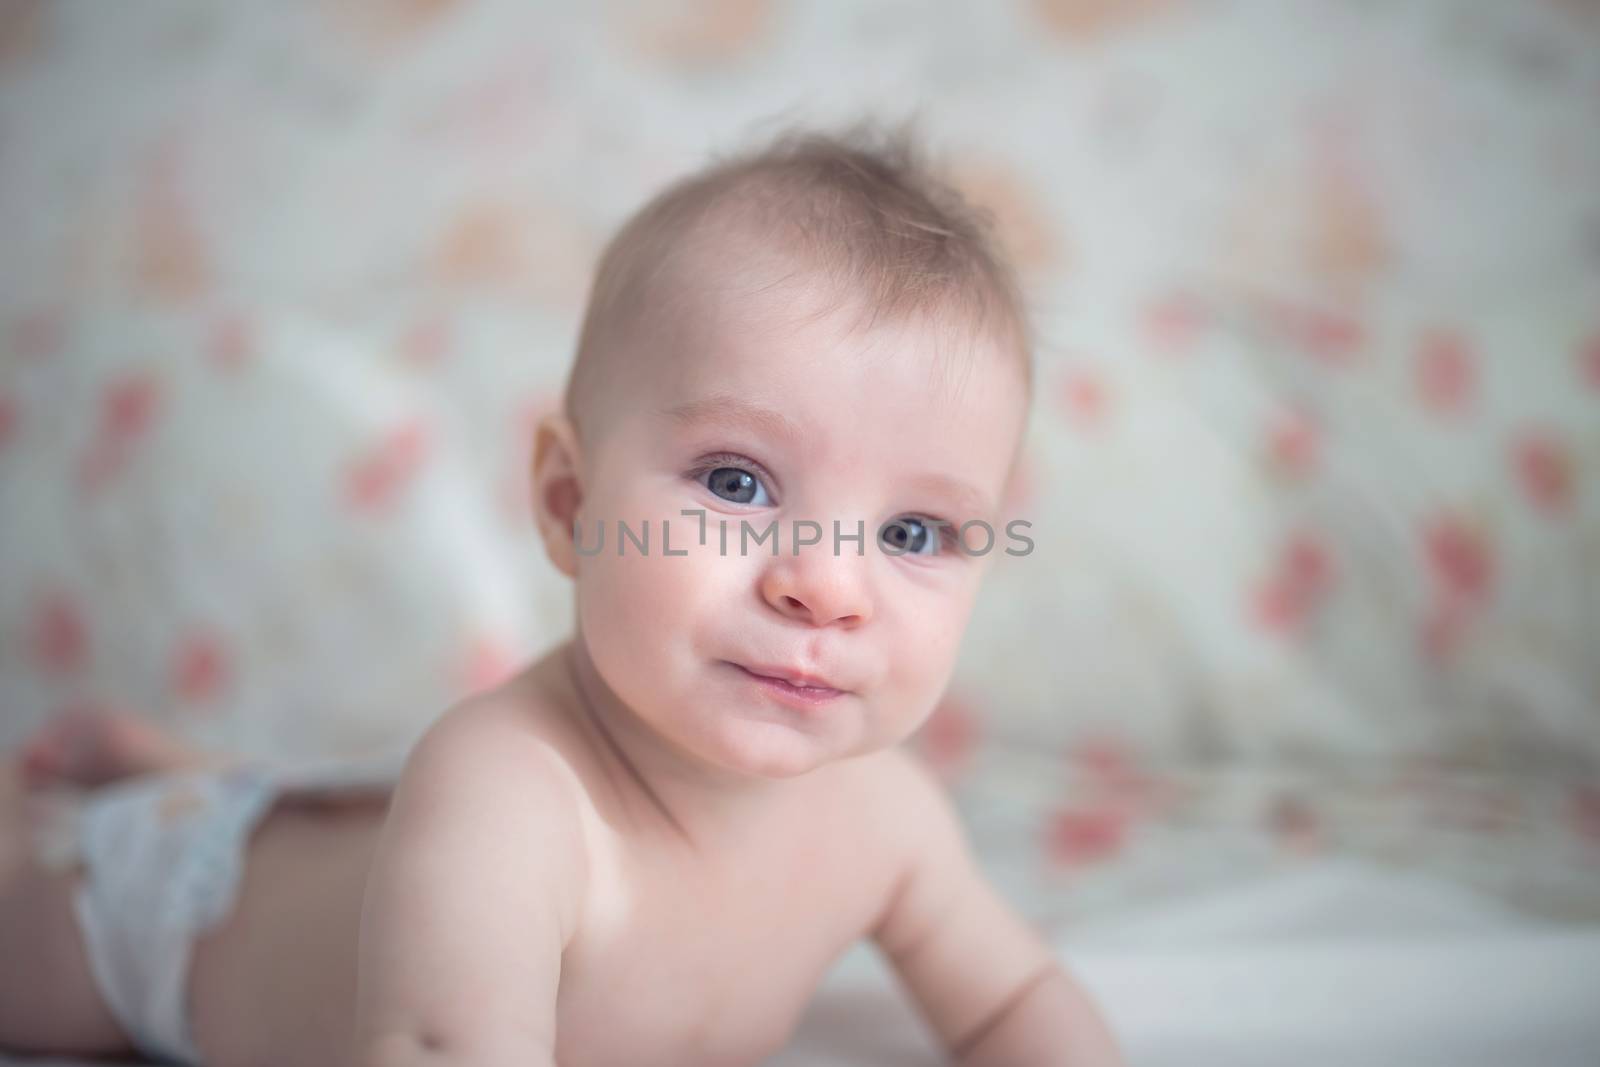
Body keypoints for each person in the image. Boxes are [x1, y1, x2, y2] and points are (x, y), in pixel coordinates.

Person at [0, 119, 1124, 1067]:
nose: (827, 585)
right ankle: (84, 813)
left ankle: (180, 767)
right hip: (176, 925)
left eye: (914, 530)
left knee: (353, 818)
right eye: (737, 481)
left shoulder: (888, 818)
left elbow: (1013, 1001)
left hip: (366, 840)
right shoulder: (510, 792)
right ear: (568, 499)